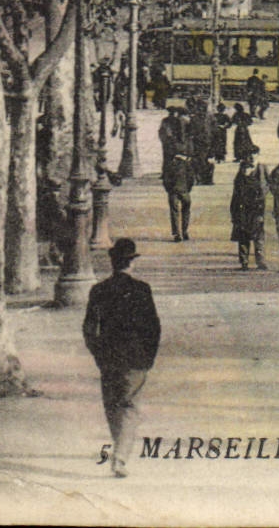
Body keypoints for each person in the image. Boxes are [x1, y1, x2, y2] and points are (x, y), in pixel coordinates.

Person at [82, 238, 161, 478]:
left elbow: (88, 327)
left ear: (113, 262)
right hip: (136, 358)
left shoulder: (99, 290)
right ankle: (121, 457)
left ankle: (120, 448)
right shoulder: (142, 289)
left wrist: (97, 352)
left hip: (109, 357)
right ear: (132, 262)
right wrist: (149, 357)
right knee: (130, 406)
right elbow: (153, 328)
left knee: (113, 406)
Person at [230, 147, 269, 270]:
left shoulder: (262, 168)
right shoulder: (241, 171)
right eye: (249, 156)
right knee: (243, 236)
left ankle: (260, 261)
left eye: (254, 155)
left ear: (258, 155)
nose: (252, 158)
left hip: (258, 207)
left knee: (259, 236)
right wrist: (234, 212)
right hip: (243, 209)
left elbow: (270, 184)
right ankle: (244, 261)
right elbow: (236, 193)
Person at [162, 142, 193, 242]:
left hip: (173, 191)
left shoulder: (169, 165)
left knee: (174, 212)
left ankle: (177, 233)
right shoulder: (186, 165)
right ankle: (185, 231)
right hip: (184, 190)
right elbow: (191, 178)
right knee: (186, 210)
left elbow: (165, 179)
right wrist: (187, 189)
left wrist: (169, 189)